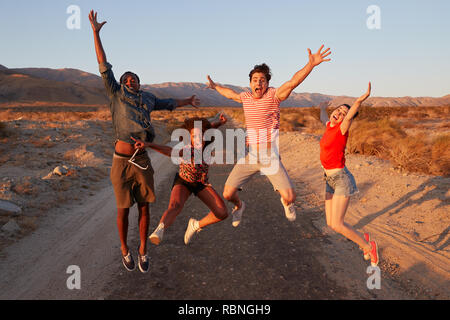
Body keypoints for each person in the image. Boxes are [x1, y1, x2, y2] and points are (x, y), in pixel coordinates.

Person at [88, 10, 200, 273]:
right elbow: (103, 64)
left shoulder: (148, 98)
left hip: (142, 160)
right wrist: (95, 33)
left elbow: (168, 104)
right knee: (123, 210)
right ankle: (124, 250)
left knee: (145, 207)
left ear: (139, 83)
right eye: (127, 79)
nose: (130, 81)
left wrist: (187, 102)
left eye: (134, 79)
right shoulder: (116, 93)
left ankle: (142, 250)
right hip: (121, 162)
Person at [206, 46, 331, 227]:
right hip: (250, 155)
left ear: (267, 83)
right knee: (227, 194)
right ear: (250, 83)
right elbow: (230, 94)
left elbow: (292, 82)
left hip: (269, 156)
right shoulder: (246, 97)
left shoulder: (274, 96)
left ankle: (286, 203)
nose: (259, 83)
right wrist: (215, 86)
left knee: (290, 196)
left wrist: (310, 65)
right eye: (255, 80)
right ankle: (239, 206)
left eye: (262, 80)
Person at [132, 115, 228, 245]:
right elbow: (170, 151)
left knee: (222, 212)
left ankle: (195, 225)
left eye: (200, 136)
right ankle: (159, 230)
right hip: (184, 182)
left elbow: (210, 127)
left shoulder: (207, 142)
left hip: (200, 183)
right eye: (194, 136)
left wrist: (220, 123)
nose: (198, 139)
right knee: (175, 206)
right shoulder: (189, 149)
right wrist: (148, 145)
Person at [318, 82, 379, 267]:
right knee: (330, 223)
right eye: (338, 110)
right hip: (329, 179)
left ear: (347, 119)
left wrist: (360, 100)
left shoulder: (342, 129)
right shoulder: (329, 125)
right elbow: (323, 118)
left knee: (337, 224)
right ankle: (364, 238)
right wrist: (322, 108)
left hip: (341, 179)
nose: (339, 113)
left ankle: (369, 246)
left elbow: (350, 114)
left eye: (344, 114)